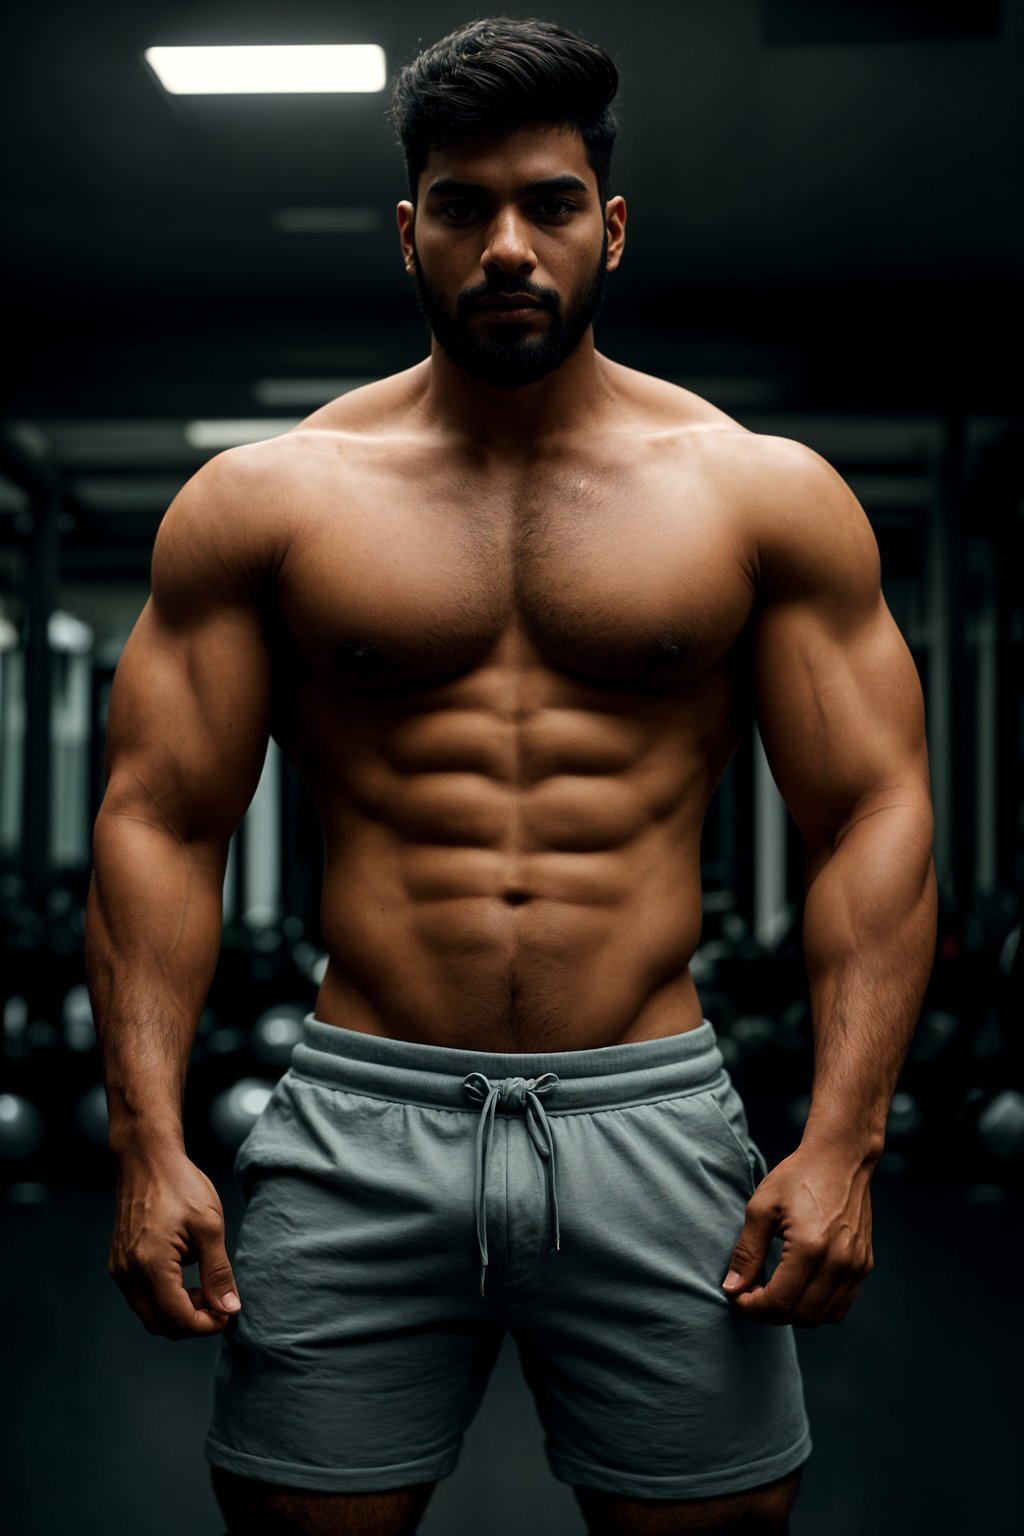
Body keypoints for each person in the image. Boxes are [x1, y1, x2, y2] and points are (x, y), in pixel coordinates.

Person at [85, 16, 937, 1536]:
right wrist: (149, 1144)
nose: (506, 246)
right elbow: (160, 820)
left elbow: (870, 813)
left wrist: (842, 1136)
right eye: (463, 207)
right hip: (360, 1116)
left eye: (547, 204)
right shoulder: (266, 504)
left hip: (657, 1123)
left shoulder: (761, 494)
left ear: (608, 229)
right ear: (405, 232)